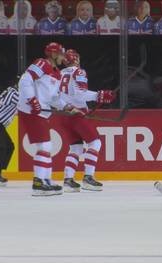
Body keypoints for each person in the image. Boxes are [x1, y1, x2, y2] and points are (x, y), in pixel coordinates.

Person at [17, 42, 77, 196]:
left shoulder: (56, 73)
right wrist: (32, 100)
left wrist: (67, 106)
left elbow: (54, 98)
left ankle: (46, 180)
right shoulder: (41, 63)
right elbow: (25, 80)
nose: (63, 57)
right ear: (53, 54)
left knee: (46, 147)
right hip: (31, 111)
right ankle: (38, 183)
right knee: (44, 146)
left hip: (41, 112)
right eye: (61, 54)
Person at [59, 49, 116, 192]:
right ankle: (88, 178)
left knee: (76, 148)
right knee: (95, 143)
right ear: (76, 60)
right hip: (76, 114)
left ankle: (68, 180)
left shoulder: (58, 74)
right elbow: (80, 94)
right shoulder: (79, 72)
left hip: (62, 115)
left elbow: (58, 96)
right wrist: (99, 95)